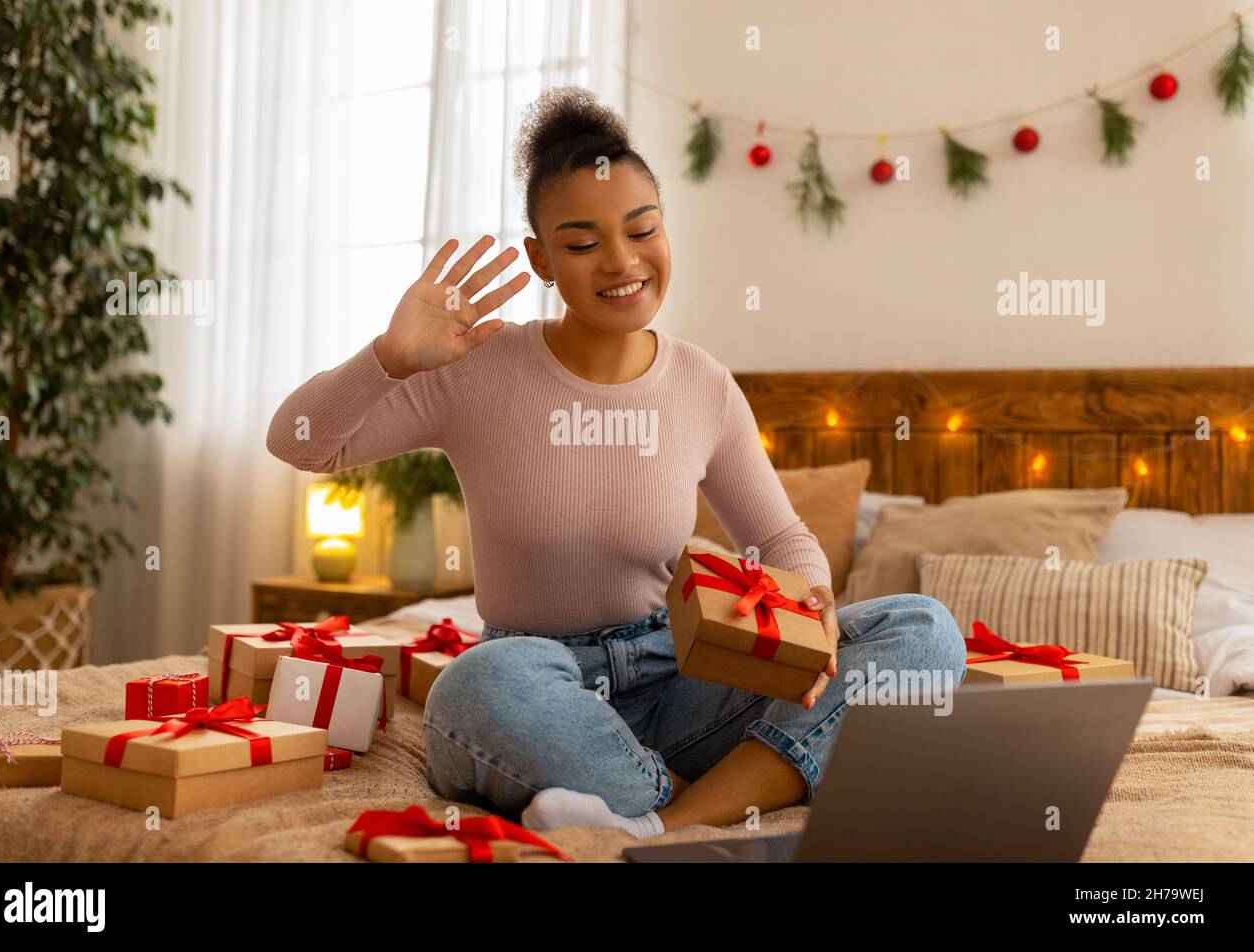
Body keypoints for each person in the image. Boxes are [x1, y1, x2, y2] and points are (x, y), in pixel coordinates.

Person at [267, 85, 964, 840]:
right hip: (540, 686)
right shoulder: (477, 368)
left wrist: (817, 598)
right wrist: (390, 359)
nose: (623, 262)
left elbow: (783, 542)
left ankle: (662, 816)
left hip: (683, 676)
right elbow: (302, 441)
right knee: (476, 687)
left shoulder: (701, 383)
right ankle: (722, 791)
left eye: (643, 229)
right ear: (540, 258)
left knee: (922, 630)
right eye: (582, 242)